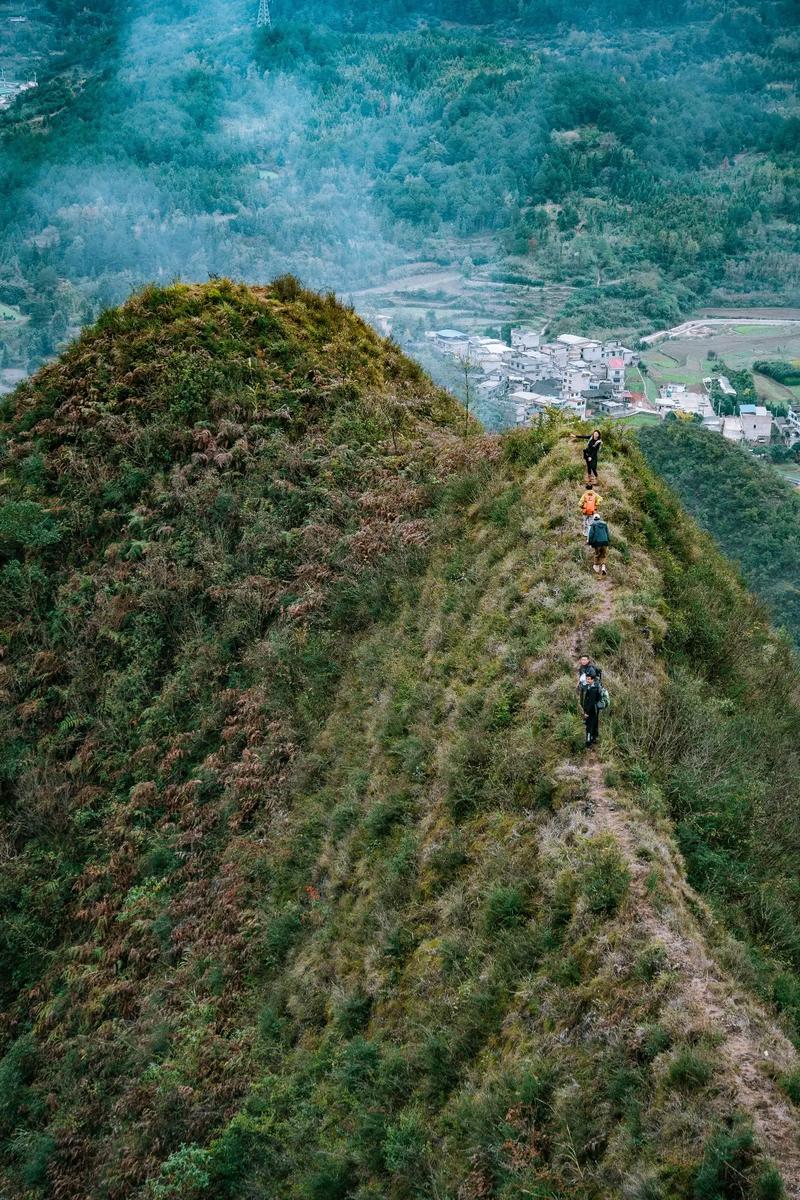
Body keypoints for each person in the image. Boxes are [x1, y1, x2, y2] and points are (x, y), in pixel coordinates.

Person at [582, 671, 602, 748]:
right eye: (586, 679)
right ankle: (594, 739)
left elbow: (590, 702)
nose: (587, 680)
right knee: (594, 724)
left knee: (589, 726)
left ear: (592, 679)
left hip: (591, 710)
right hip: (595, 709)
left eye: (589, 679)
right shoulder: (594, 686)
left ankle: (588, 742)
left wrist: (586, 712)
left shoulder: (593, 689)